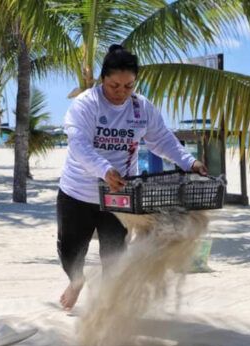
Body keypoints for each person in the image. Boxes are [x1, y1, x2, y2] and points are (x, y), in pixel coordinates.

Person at [57, 44, 208, 310]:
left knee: (114, 255)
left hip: (121, 196)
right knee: (69, 251)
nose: (121, 93)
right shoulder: (85, 105)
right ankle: (76, 282)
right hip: (78, 192)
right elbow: (80, 147)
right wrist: (105, 170)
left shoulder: (141, 108)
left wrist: (189, 161)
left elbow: (163, 140)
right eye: (115, 85)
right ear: (102, 78)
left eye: (128, 86)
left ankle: (107, 307)